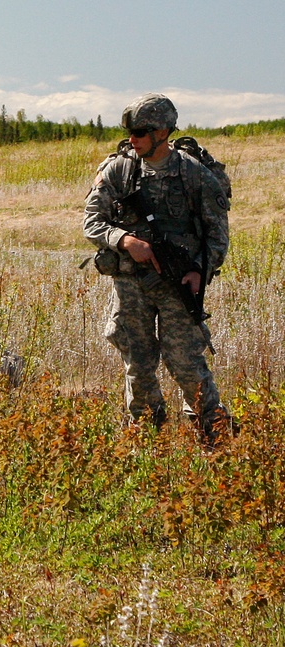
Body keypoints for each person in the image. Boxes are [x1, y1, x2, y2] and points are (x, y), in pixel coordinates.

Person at [83, 93, 231, 447]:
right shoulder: (119, 169)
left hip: (177, 284)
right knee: (138, 361)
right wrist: (124, 241)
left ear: (162, 132)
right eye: (130, 132)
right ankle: (148, 433)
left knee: (185, 361)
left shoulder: (194, 175)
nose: (132, 139)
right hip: (131, 283)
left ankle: (213, 432)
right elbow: (92, 221)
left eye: (140, 131)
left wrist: (199, 272)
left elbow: (218, 236)